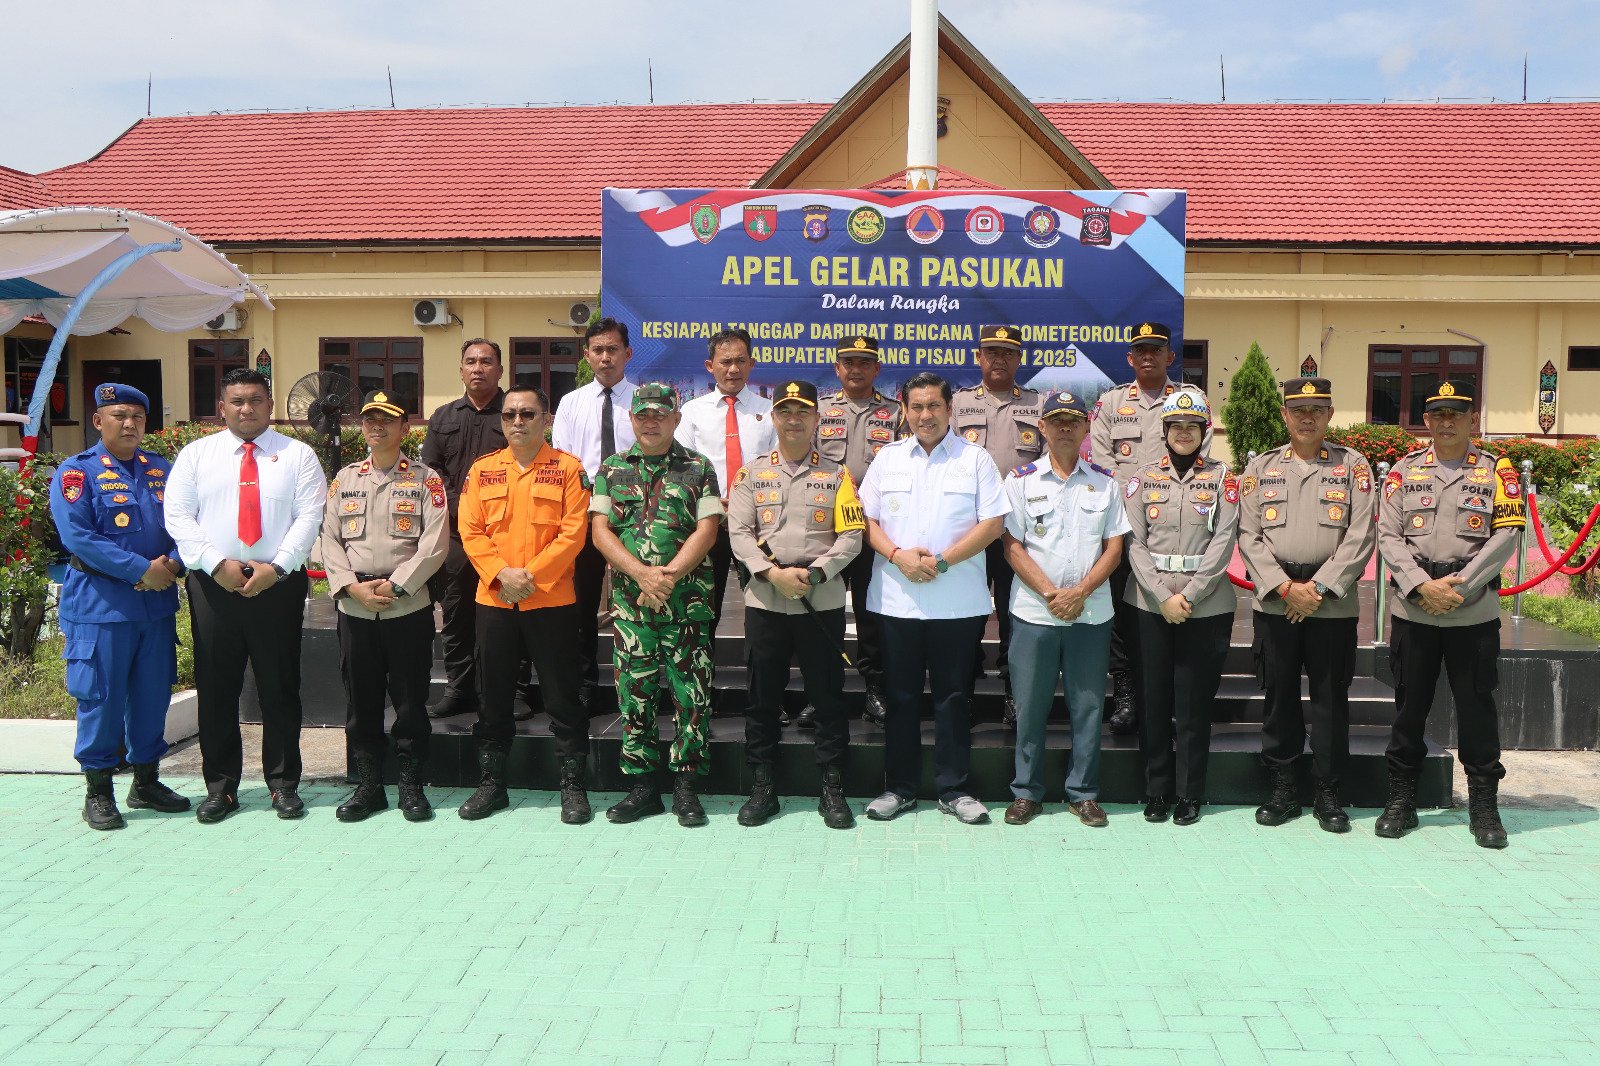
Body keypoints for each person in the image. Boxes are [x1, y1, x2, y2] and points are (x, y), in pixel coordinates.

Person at [164, 367, 326, 823]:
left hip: (278, 584)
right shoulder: (197, 455)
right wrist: (217, 564)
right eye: (236, 401)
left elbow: (308, 517)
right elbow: (178, 517)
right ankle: (221, 788)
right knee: (217, 688)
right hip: (214, 584)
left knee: (279, 688)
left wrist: (277, 567)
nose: (246, 408)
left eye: (255, 400)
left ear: (269, 406)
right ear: (222, 407)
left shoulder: (298, 455)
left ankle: (282, 784)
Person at [1375, 381, 1524, 849]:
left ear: (1472, 419)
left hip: (1471, 612)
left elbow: (1507, 534)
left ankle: (1484, 805)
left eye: (1455, 415)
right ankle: (1402, 800)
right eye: (1437, 414)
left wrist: (1462, 586)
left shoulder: (1498, 471)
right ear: (1426, 419)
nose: (1445, 423)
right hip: (1416, 611)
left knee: (1477, 710)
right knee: (1408, 709)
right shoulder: (1403, 471)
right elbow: (1388, 534)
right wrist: (1422, 585)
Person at [858, 371, 1010, 824]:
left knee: (953, 696)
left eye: (934, 407)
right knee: (900, 695)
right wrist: (900, 556)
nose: (926, 415)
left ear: (950, 410)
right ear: (905, 410)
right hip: (897, 599)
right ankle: (899, 788)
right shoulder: (887, 460)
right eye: (917, 407)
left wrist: (941, 561)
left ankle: (954, 789)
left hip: (957, 601)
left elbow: (992, 525)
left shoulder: (976, 459)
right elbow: (866, 521)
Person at [1238, 377, 1377, 833]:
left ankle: (1328, 791)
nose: (1307, 417)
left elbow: (1361, 536)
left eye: (1317, 409)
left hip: (1330, 605)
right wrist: (1283, 587)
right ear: (1284, 415)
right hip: (1277, 603)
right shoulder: (1260, 467)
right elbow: (1249, 535)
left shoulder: (1353, 467)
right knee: (1279, 699)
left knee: (1330, 701)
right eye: (1298, 409)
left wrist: (1316, 588)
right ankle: (1283, 788)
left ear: (1331, 414)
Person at [49, 383, 188, 830]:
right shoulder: (77, 473)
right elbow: (78, 537)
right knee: (101, 698)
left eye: (137, 417)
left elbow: (189, 525)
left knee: (152, 696)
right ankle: (99, 791)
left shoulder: (162, 470)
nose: (129, 424)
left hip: (156, 606)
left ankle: (146, 781)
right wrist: (139, 569)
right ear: (98, 421)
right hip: (100, 606)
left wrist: (173, 563)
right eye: (119, 416)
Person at [728, 380, 865, 829]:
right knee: (762, 697)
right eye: (785, 411)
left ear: (816, 419)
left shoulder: (839, 475)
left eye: (802, 412)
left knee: (827, 696)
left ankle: (832, 785)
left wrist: (816, 574)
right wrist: (773, 574)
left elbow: (851, 536)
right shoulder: (751, 474)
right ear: (774, 417)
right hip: (766, 598)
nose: (793, 419)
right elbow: (740, 534)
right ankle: (762, 783)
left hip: (819, 596)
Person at [455, 384, 592, 822]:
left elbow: (574, 534)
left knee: (563, 696)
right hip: (494, 600)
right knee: (492, 696)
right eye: (511, 414)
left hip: (550, 600)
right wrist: (501, 574)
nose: (518, 421)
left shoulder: (569, 469)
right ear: (501, 421)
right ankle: (492, 785)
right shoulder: (482, 471)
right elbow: (470, 530)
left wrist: (530, 576)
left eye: (528, 414)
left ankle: (573, 787)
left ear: (545, 419)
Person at [591, 383, 723, 826]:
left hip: (685, 607)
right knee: (635, 698)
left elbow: (706, 530)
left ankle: (686, 788)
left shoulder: (699, 468)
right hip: (632, 610)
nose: (651, 422)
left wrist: (666, 577)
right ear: (632, 419)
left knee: (692, 699)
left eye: (660, 415)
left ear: (675, 418)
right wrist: (641, 574)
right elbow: (600, 532)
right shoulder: (611, 469)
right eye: (643, 415)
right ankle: (643, 787)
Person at [316, 391, 449, 823]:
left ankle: (410, 785)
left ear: (403, 429)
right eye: (370, 420)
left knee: (410, 701)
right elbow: (329, 539)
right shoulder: (344, 480)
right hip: (355, 608)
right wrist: (350, 587)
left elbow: (435, 543)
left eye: (386, 421)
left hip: (405, 606)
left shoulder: (426, 480)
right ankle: (369, 785)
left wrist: (396, 585)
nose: (376, 427)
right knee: (362, 700)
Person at [999, 391, 1129, 827]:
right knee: (1029, 705)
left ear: (1087, 428)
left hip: (1090, 614)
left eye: (1074, 420)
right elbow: (1011, 545)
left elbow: (1114, 547)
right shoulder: (1020, 480)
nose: (1066, 428)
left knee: (1088, 705)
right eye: (1056, 421)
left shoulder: (1105, 483)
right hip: (1035, 613)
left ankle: (1084, 792)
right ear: (1042, 428)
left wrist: (1080, 592)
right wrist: (1053, 593)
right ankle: (1026, 791)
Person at [1090, 322, 1213, 736]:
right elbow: (1103, 463)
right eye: (1139, 350)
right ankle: (1127, 691)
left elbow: (1198, 454)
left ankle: (1175, 696)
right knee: (1125, 611)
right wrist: (1134, 504)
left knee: (1172, 605)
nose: (1147, 356)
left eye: (1155, 349)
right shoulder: (1109, 404)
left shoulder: (1191, 400)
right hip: (1120, 526)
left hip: (1174, 527)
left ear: (1169, 356)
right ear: (1129, 357)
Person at [1122, 386, 1239, 825]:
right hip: (1149, 603)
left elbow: (1224, 541)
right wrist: (1160, 595)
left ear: (1203, 431)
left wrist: (1187, 596)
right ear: (1165, 429)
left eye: (1193, 426)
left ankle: (1190, 794)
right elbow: (1133, 541)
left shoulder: (1223, 479)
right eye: (1177, 426)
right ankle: (1156, 792)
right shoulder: (1141, 478)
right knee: (1153, 700)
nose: (1184, 433)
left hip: (1203, 604)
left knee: (1192, 703)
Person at [950, 325, 1044, 725]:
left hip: (1018, 529)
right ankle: (963, 693)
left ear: (1020, 358)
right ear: (978, 357)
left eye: (1008, 353)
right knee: (965, 613)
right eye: (992, 352)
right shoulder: (956, 404)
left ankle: (1012, 693)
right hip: (968, 529)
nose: (999, 359)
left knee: (1014, 612)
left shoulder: (1039, 404)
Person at [813, 334, 901, 726]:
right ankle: (821, 692)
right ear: (837, 367)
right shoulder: (819, 410)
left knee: (870, 613)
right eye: (849, 362)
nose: (856, 369)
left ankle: (875, 689)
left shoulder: (896, 414)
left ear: (876, 369)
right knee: (824, 610)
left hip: (872, 528)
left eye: (864, 362)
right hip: (827, 529)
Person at [551, 318, 637, 713]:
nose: (606, 357)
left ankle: (636, 683)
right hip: (584, 517)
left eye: (613, 349)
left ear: (627, 354)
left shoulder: (643, 400)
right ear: (587, 356)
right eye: (598, 350)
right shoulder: (571, 403)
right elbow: (565, 464)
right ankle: (586, 683)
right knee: (582, 605)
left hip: (635, 520)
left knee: (634, 603)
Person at [420, 338, 508, 720]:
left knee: (508, 612)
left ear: (500, 370)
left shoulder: (515, 412)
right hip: (455, 534)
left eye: (486, 361)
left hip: (506, 534)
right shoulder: (443, 417)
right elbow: (431, 473)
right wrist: (464, 509)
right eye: (470, 361)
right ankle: (459, 688)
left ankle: (511, 690)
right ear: (460, 370)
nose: (478, 368)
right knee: (455, 612)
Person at [674, 327, 775, 632]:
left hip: (757, 523)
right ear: (710, 366)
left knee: (762, 612)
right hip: (707, 524)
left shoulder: (769, 412)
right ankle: (703, 678)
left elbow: (776, 467)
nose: (733, 369)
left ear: (752, 364)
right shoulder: (692, 412)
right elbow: (682, 469)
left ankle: (758, 680)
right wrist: (711, 503)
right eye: (725, 361)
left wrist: (747, 503)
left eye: (741, 361)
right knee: (703, 611)